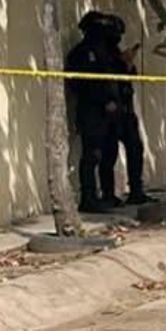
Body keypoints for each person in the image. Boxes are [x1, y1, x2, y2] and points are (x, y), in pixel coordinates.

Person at [65, 12, 123, 212]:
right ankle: (88, 198)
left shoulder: (107, 52)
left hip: (110, 113)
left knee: (109, 153)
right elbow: (81, 84)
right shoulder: (81, 53)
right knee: (92, 155)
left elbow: (117, 76)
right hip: (91, 113)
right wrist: (103, 101)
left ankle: (108, 194)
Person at [99, 14, 156, 206]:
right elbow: (91, 82)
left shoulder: (113, 53)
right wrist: (104, 102)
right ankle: (107, 195)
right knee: (108, 154)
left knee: (135, 149)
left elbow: (127, 76)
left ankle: (136, 191)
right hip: (105, 113)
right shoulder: (91, 53)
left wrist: (128, 63)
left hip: (124, 111)